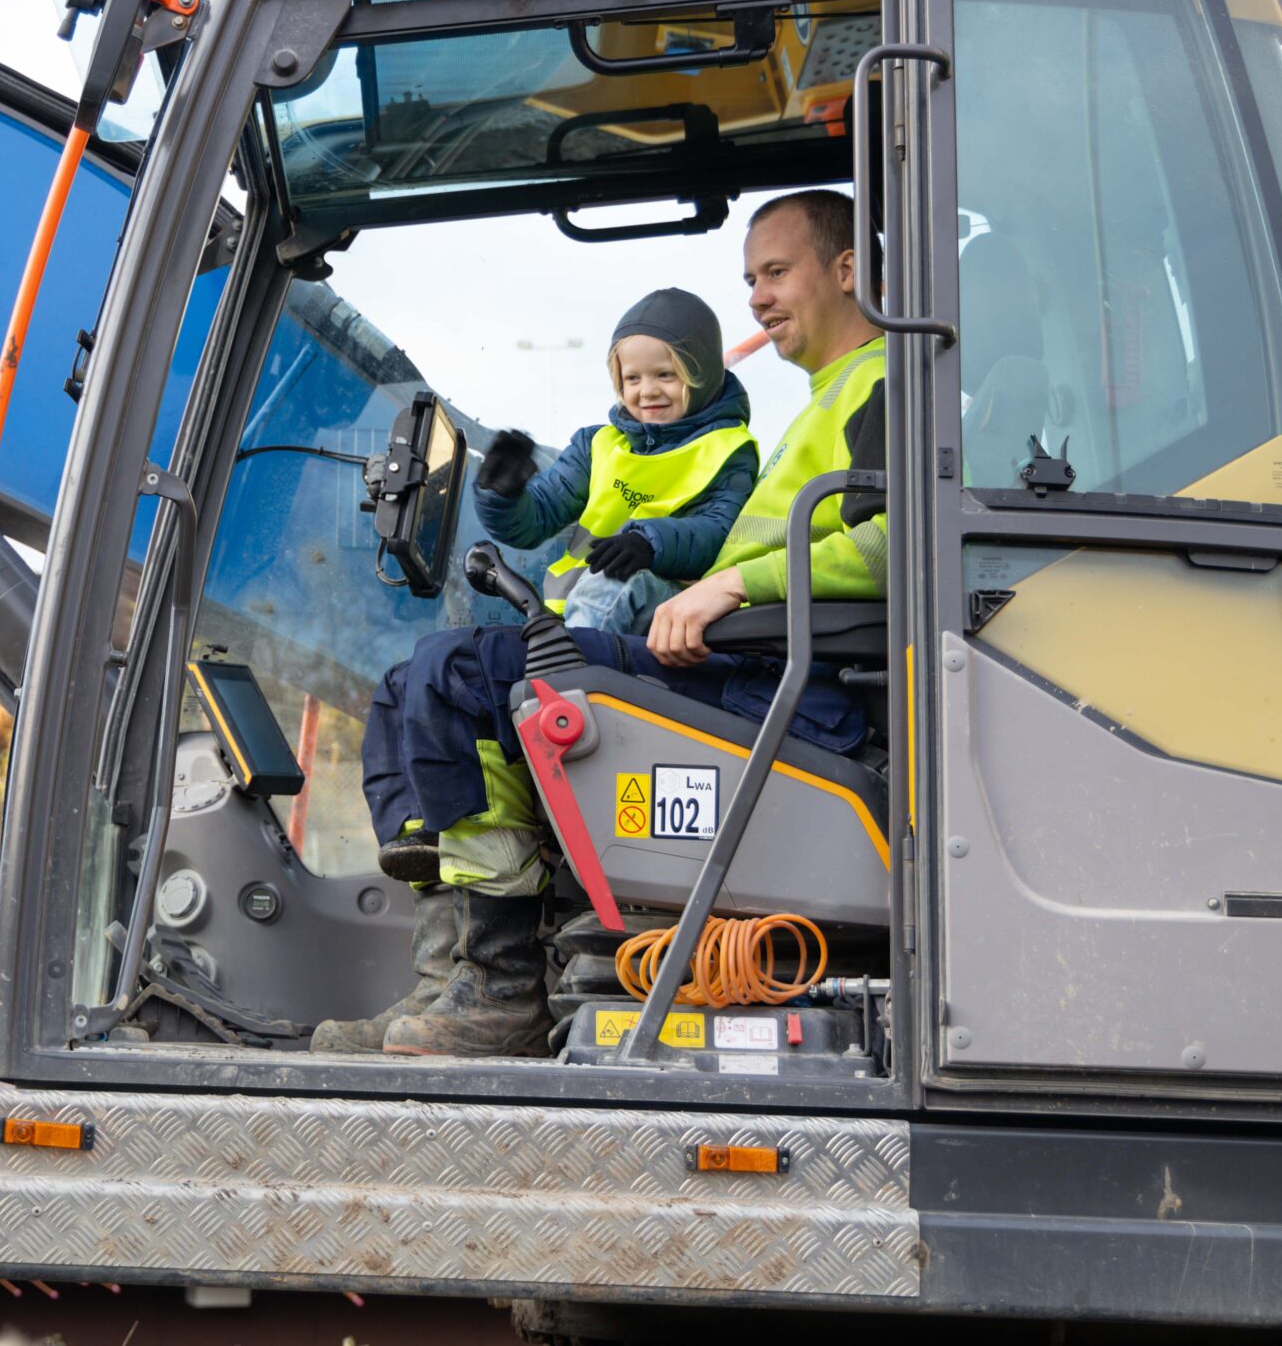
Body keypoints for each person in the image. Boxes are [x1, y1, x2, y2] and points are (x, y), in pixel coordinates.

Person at [315, 189, 888, 1058]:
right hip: (735, 664)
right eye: (750, 280)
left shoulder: (883, 385)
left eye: (777, 272)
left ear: (847, 270)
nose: (759, 298)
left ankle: (498, 990)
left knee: (458, 676)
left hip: (771, 687)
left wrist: (729, 584)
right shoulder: (818, 403)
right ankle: (451, 976)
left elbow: (897, 544)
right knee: (415, 682)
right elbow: (543, 512)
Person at [473, 287, 757, 634]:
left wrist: (649, 542)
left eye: (665, 374)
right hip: (569, 618)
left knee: (616, 585)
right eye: (632, 378)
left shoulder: (729, 450)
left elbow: (717, 529)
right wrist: (501, 498)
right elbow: (537, 519)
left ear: (702, 375)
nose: (647, 390)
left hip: (669, 614)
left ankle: (570, 674)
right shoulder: (597, 445)